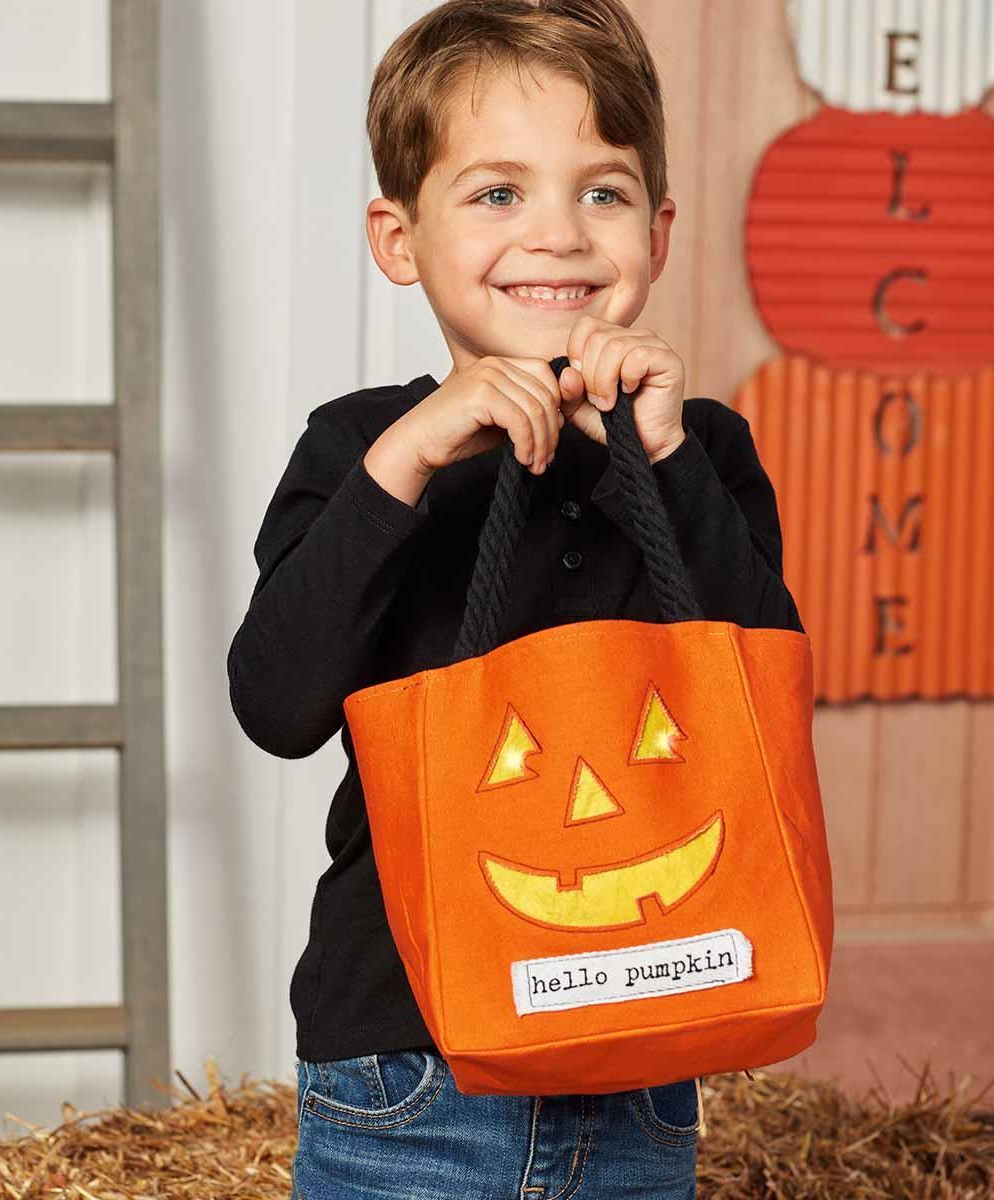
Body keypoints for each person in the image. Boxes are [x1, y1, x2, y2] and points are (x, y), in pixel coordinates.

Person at [227, 1, 805, 1195]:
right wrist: (411, 458)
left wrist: (666, 457)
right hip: (406, 1070)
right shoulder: (359, 449)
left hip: (649, 1058)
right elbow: (277, 705)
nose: (558, 234)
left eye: (602, 192)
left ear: (658, 228)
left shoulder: (702, 446)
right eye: (497, 194)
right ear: (398, 237)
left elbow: (765, 694)